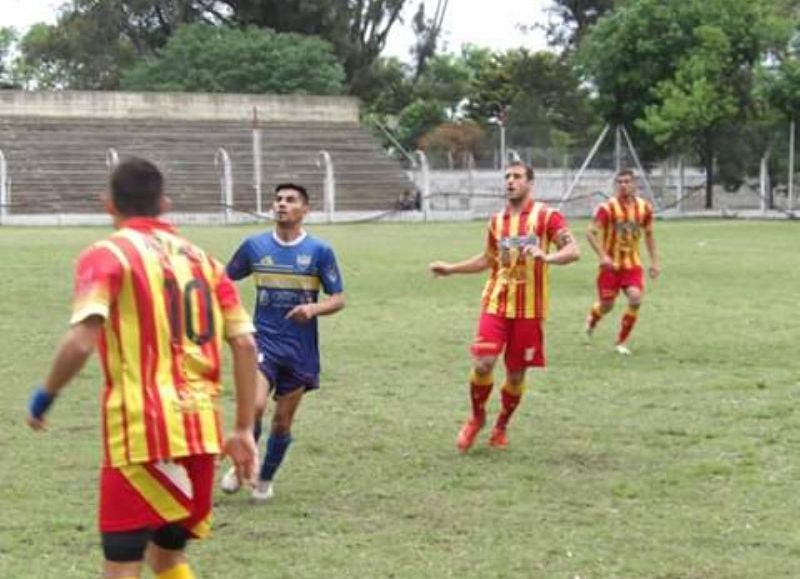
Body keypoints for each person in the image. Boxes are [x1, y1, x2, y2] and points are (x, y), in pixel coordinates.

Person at [25, 157, 259, 579]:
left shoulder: (107, 254)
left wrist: (45, 395)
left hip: (140, 432)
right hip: (200, 430)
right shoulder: (205, 261)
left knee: (121, 564)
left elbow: (81, 341)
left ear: (108, 203)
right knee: (167, 556)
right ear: (164, 204)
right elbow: (244, 342)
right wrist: (243, 428)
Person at [429, 161, 579, 452]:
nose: (510, 181)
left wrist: (548, 258)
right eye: (507, 176)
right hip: (495, 302)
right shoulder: (496, 221)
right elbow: (487, 260)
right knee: (483, 362)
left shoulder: (547, 216)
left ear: (529, 183)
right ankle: (476, 418)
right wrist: (451, 268)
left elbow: (573, 250)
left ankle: (501, 426)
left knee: (515, 375)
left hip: (529, 310)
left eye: (517, 176)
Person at [220, 183, 345, 500]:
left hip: (301, 350)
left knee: (282, 423)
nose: (281, 204)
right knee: (256, 405)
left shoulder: (319, 251)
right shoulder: (254, 246)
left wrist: (313, 308)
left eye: (290, 200)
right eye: (278, 199)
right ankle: (241, 466)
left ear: (305, 209)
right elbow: (222, 279)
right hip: (264, 342)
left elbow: (338, 299)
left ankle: (265, 479)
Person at [584, 168, 661, 355]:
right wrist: (603, 256)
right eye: (620, 182)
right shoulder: (607, 208)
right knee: (607, 305)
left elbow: (649, 235)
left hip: (632, 265)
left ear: (634, 184)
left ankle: (621, 341)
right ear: (615, 185)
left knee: (635, 298)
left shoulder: (644, 208)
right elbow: (590, 232)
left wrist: (654, 262)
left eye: (627, 181)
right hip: (610, 267)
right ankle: (593, 318)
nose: (624, 185)